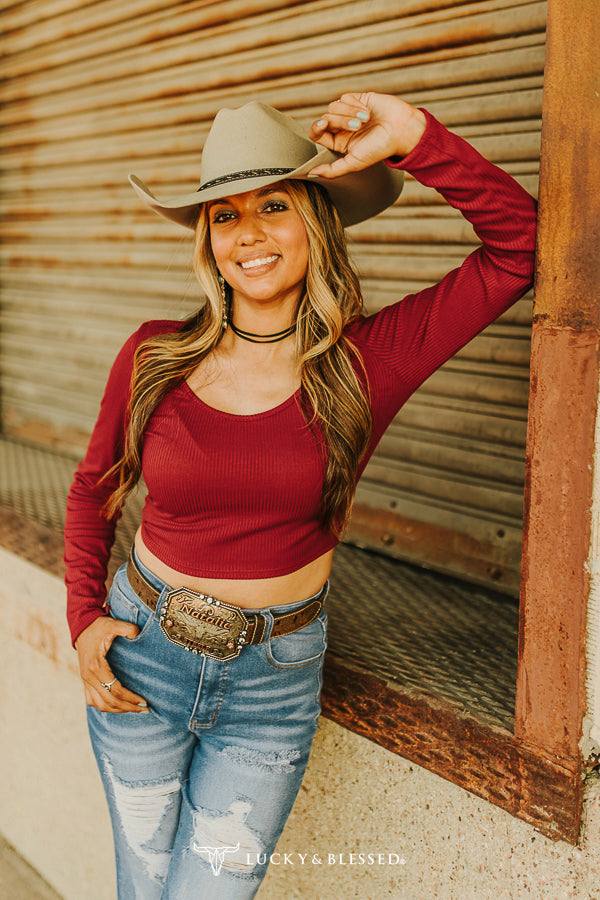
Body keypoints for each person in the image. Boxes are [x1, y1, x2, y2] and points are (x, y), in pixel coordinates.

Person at [64, 91, 536, 899]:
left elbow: (520, 248)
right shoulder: (154, 357)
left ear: (316, 222)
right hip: (143, 657)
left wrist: (417, 139)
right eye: (223, 216)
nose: (247, 233)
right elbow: (90, 490)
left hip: (271, 685)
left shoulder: (366, 364)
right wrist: (81, 621)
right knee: (142, 890)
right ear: (208, 244)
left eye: (273, 206)